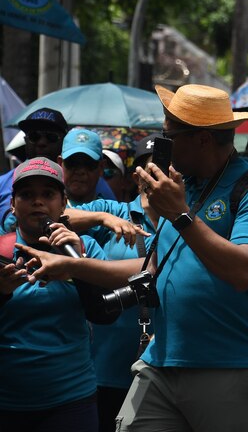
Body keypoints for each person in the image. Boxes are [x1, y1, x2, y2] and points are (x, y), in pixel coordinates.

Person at [20, 84, 248, 431]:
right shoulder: (183, 187)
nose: (163, 145)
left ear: (202, 140)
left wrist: (180, 214)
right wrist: (72, 266)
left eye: (169, 136)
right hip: (161, 361)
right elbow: (155, 267)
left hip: (229, 365)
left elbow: (244, 270)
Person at [0, 158, 114, 432]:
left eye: (48, 194)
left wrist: (78, 262)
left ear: (63, 203)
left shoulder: (86, 249)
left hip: (71, 401)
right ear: (13, 205)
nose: (38, 202)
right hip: (7, 403)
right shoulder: (1, 252)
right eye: (27, 195)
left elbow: (105, 315)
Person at [64, 134, 160, 432]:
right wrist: (103, 217)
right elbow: (58, 215)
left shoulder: (188, 219)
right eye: (148, 166)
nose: (155, 172)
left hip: (166, 365)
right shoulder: (117, 211)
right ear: (137, 175)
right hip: (106, 366)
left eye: (164, 165)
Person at [0, 108, 69, 225]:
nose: (42, 142)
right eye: (34, 136)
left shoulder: (80, 181)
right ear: (25, 140)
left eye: (51, 137)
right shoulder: (2, 183)